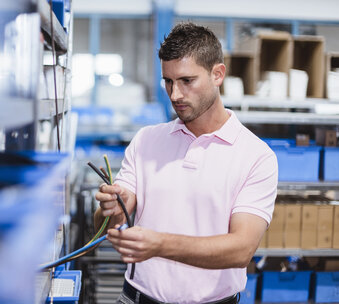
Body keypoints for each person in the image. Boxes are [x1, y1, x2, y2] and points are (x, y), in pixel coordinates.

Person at [94, 23, 278, 304]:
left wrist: (160, 244)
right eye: (168, 81)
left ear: (218, 74)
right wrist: (112, 209)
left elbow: (241, 249)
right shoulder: (146, 140)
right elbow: (108, 222)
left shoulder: (256, 156)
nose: (175, 94)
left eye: (187, 81)